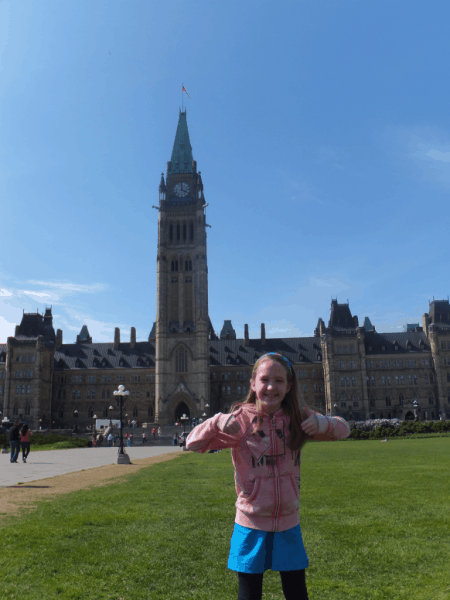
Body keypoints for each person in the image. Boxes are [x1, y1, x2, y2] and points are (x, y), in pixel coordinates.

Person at [186, 352, 350, 600]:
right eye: (264, 379)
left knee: (297, 593)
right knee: (249, 595)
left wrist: (322, 422)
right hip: (250, 523)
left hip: (288, 522)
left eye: (279, 381)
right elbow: (193, 443)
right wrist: (217, 421)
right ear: (253, 383)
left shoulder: (298, 418)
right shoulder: (239, 420)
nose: (271, 387)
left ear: (289, 386)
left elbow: (344, 430)